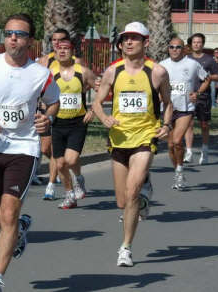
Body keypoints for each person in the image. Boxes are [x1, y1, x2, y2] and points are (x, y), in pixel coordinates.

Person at [0, 14, 60, 291]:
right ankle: (21, 228)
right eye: (8, 33)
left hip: (24, 148)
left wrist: (47, 118)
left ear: (30, 40)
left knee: (8, 215)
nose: (12, 37)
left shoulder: (41, 74)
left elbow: (53, 102)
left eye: (19, 33)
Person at [93, 22, 172, 267]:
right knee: (122, 201)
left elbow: (168, 103)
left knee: (132, 192)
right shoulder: (112, 72)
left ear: (145, 42)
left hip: (144, 137)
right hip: (118, 138)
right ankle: (144, 193)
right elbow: (96, 103)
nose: (128, 42)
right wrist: (104, 117)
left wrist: (166, 125)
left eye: (134, 38)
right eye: (126, 38)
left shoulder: (157, 72)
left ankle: (125, 247)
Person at [46, 38, 96, 209]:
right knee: (59, 163)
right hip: (57, 122)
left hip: (78, 122)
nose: (62, 51)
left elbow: (102, 88)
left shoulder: (83, 72)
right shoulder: (50, 73)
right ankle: (69, 196)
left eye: (66, 48)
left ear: (72, 52)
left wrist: (93, 111)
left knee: (71, 159)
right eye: (59, 48)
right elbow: (41, 94)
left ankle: (79, 178)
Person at [159, 36, 209, 190]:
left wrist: (197, 93)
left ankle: (180, 171)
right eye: (171, 47)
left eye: (178, 47)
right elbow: (154, 84)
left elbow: (206, 79)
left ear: (184, 49)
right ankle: (178, 170)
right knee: (170, 146)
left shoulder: (192, 64)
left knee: (176, 141)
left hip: (186, 109)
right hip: (167, 109)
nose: (174, 50)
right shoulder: (162, 65)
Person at [35, 29, 70, 188]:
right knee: (45, 148)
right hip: (48, 109)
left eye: (61, 39)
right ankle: (60, 164)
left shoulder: (76, 62)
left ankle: (53, 180)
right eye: (54, 40)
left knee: (55, 147)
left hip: (67, 112)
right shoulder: (44, 61)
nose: (57, 43)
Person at [183, 33, 218, 164]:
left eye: (199, 42)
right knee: (188, 123)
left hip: (203, 96)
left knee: (204, 124)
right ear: (191, 44)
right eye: (194, 42)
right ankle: (188, 152)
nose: (196, 44)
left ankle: (204, 151)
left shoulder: (209, 60)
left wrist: (208, 77)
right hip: (188, 95)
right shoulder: (186, 58)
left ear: (203, 44)